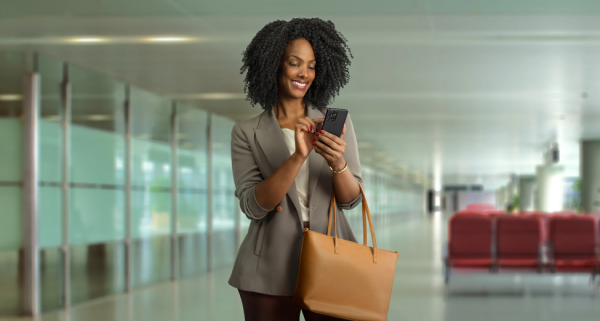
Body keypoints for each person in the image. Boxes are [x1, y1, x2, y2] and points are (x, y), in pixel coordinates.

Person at [228, 18, 363, 321]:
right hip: (268, 265)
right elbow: (253, 206)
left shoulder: (336, 123)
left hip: (331, 257)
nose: (304, 73)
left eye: (312, 66)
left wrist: (338, 164)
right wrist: (297, 156)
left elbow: (350, 201)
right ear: (274, 65)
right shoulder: (246, 132)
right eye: (294, 63)